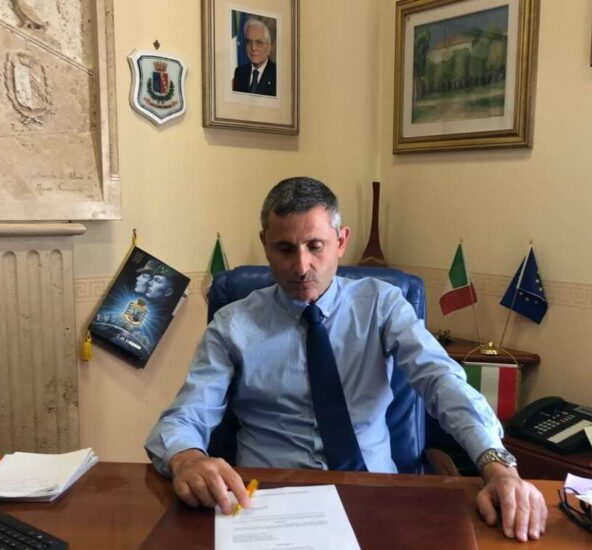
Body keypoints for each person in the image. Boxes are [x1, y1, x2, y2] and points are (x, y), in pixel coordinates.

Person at [145, 177, 547, 542]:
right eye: (285, 249)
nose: (301, 266)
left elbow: (441, 380)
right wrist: (187, 458)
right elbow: (185, 416)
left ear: (340, 241)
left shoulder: (382, 305)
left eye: (315, 246)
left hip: (375, 495)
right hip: (267, 503)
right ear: (265, 243)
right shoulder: (233, 324)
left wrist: (497, 465)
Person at [232, 18, 276, 96]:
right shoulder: (240, 72)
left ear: (269, 48)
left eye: (259, 42)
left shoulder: (277, 74)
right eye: (249, 42)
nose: (253, 48)